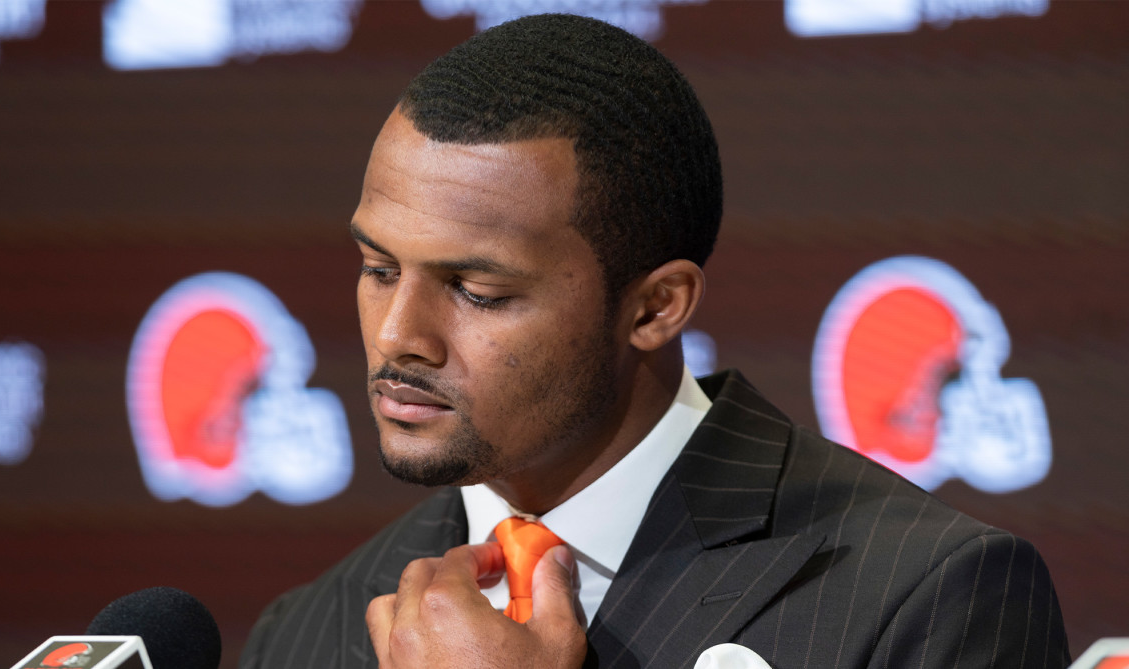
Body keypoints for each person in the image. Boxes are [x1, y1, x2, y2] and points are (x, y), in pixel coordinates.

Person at [240, 13, 1070, 668]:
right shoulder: (308, 628)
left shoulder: (931, 597)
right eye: (378, 269)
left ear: (656, 306)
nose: (398, 336)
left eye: (478, 291)